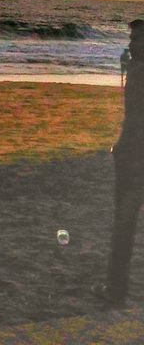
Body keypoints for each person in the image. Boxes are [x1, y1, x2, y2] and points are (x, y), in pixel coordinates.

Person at [99, 19, 144, 307]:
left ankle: (115, 290)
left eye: (136, 39)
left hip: (134, 159)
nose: (130, 43)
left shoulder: (139, 72)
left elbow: (134, 118)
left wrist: (122, 147)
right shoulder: (136, 70)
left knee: (124, 223)